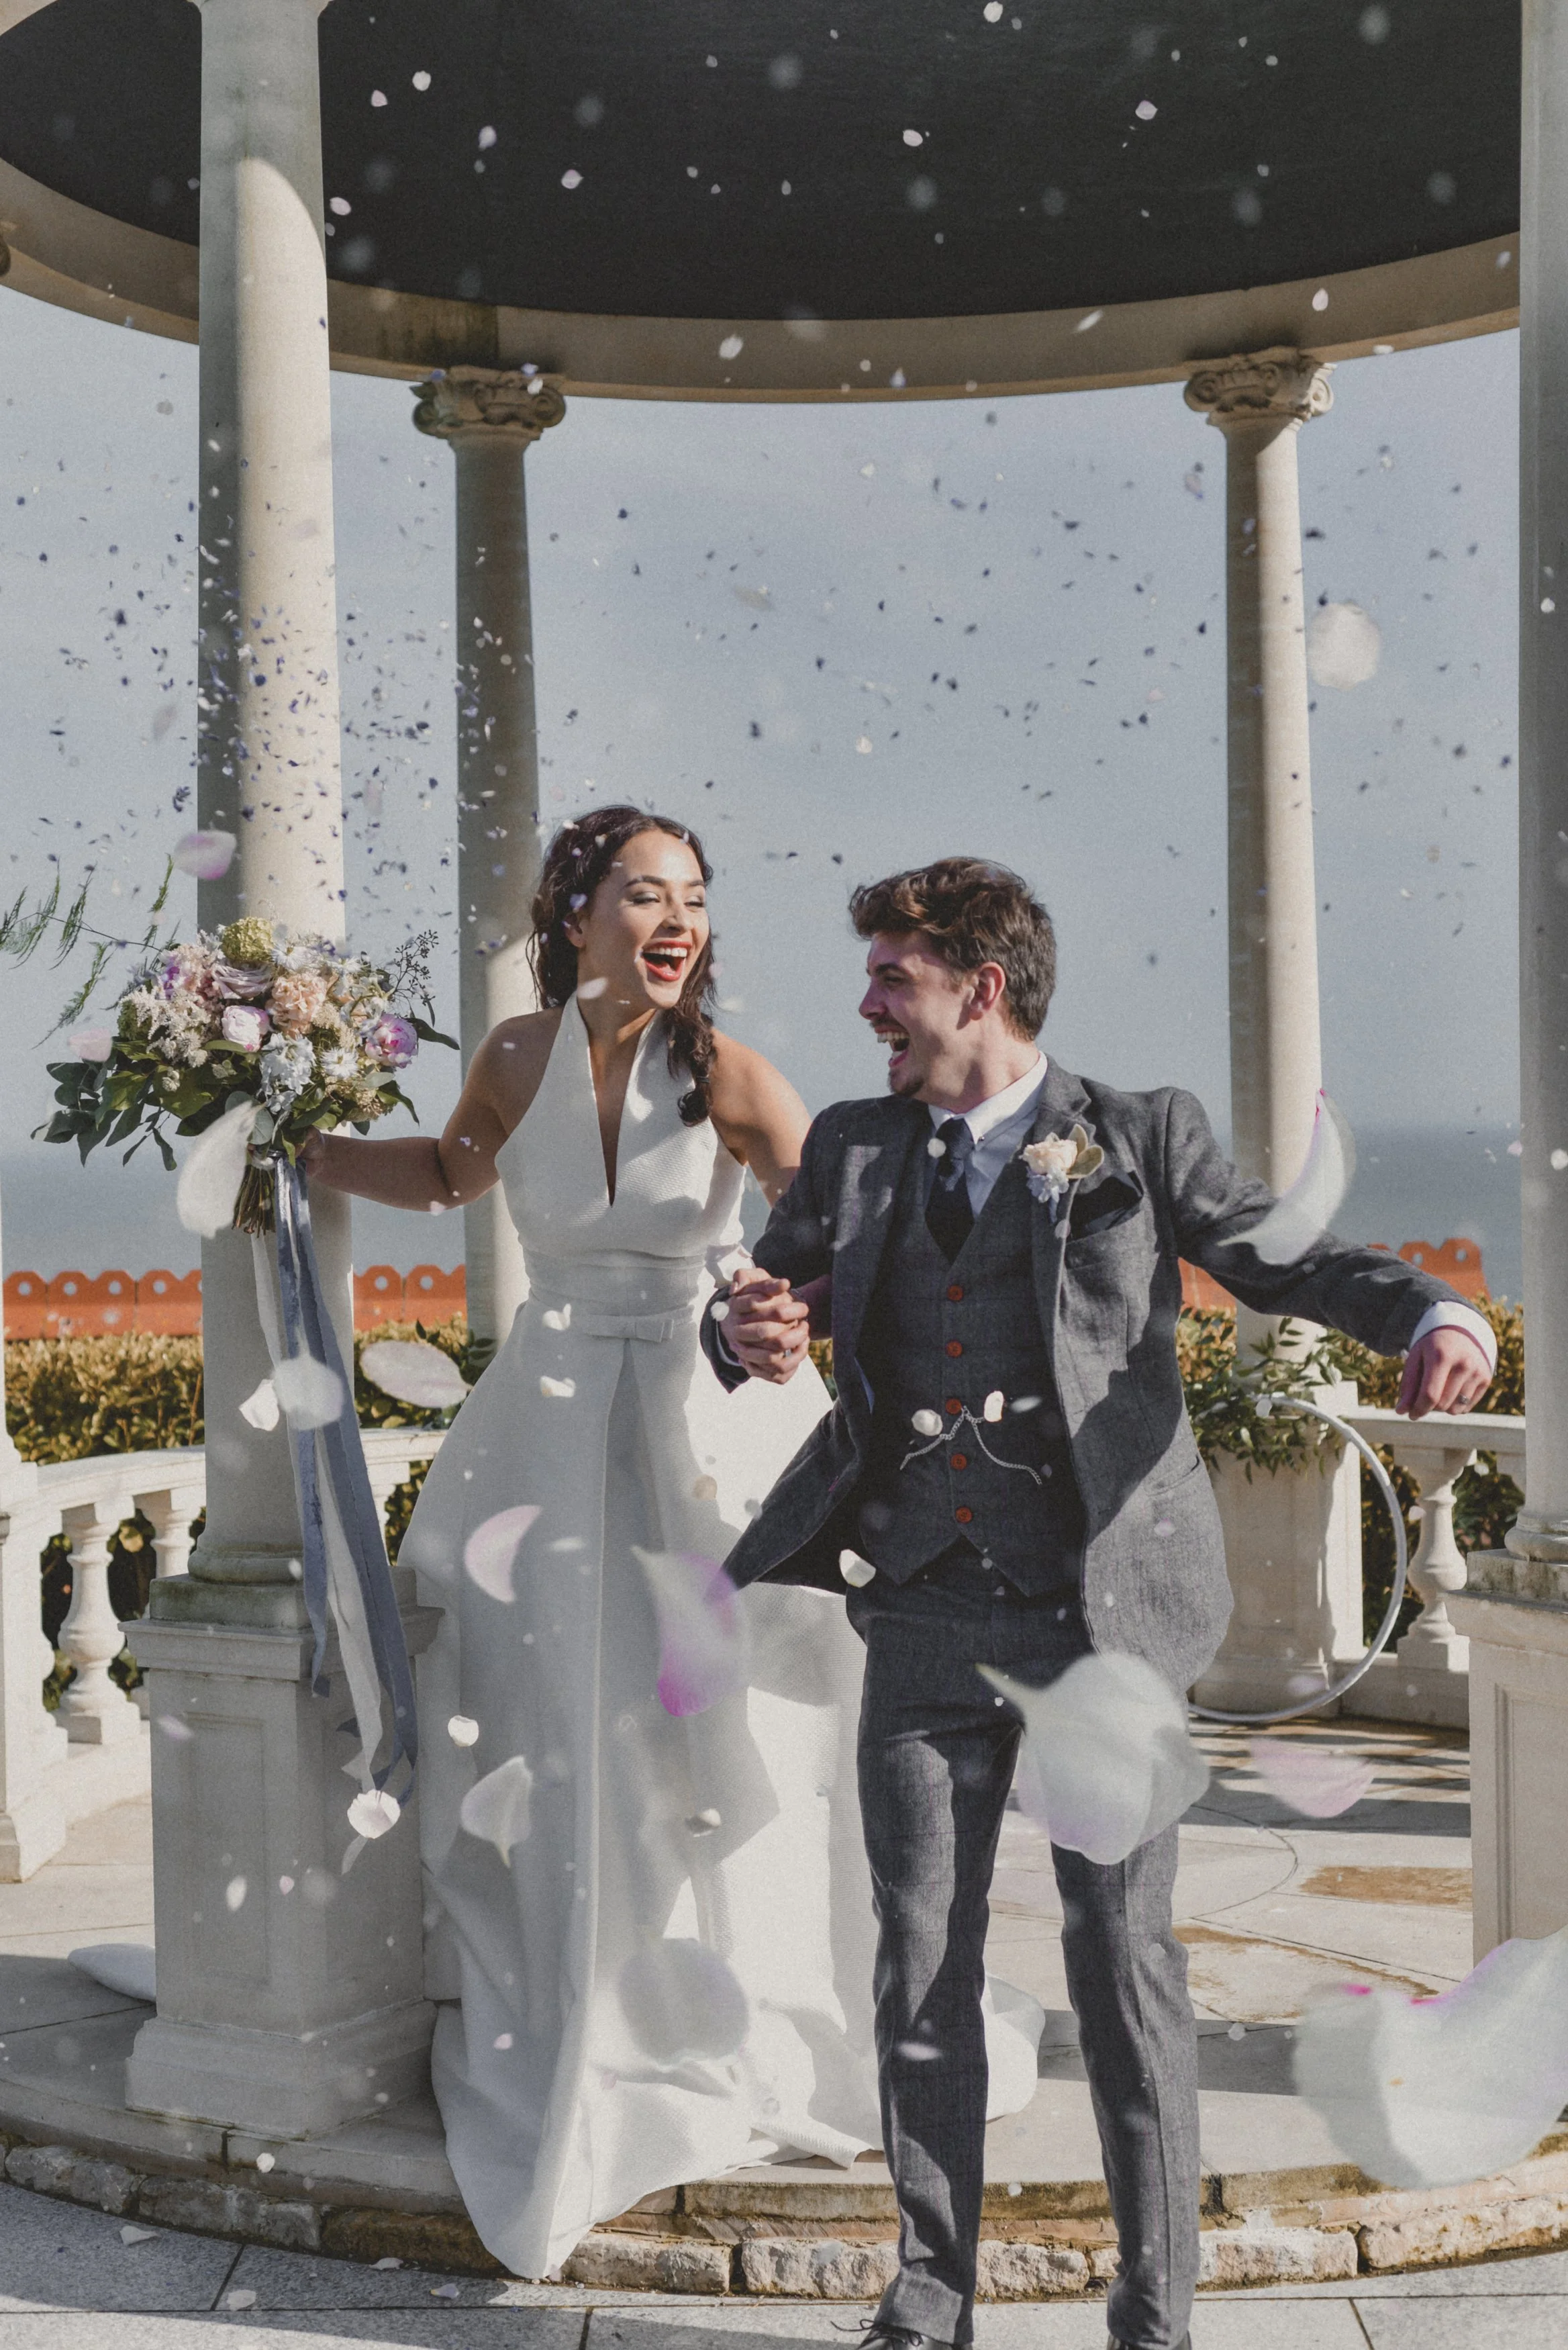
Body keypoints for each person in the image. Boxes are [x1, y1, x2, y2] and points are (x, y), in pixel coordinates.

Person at [702, 856, 1496, 2350]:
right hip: (921, 1611)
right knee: (915, 1955)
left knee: (1122, 1965)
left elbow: (1290, 1260)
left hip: (1100, 1624)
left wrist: (1435, 1308)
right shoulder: (858, 1148)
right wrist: (736, 1324)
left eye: (893, 977)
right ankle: (928, 2299)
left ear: (978, 985)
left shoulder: (1136, 1135)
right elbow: (763, 1296)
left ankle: (1155, 2314)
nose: (868, 1005)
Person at [301, 812, 1039, 2279]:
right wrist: (306, 1149)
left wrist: (788, 1314)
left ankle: (737, 2005)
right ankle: (560, 1985)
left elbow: (840, 1235)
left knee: (707, 1717)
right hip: (542, 1423)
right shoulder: (515, 1052)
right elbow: (453, 1173)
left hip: (700, 1418)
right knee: (536, 1712)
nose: (677, 918)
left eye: (694, 896)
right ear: (575, 913)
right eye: (646, 892)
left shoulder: (729, 1074)